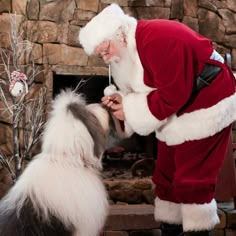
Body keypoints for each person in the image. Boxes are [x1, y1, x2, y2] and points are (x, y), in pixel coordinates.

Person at [79, 3, 236, 236]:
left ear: (119, 35)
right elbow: (147, 92)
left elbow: (173, 94)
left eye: (106, 50)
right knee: (166, 177)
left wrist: (129, 110)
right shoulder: (126, 49)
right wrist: (122, 103)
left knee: (192, 181)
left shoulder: (157, 40)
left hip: (207, 105)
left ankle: (197, 231)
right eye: (101, 54)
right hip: (179, 108)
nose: (105, 58)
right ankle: (171, 229)